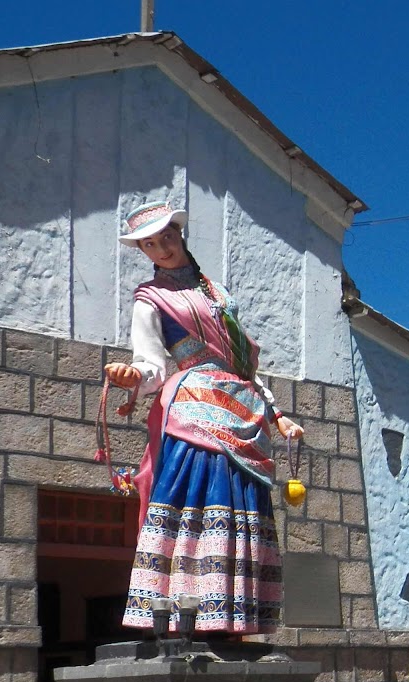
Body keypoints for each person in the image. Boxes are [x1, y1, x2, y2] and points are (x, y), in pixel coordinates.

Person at [104, 203, 304, 635]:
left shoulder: (219, 294)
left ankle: (231, 610)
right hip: (194, 407)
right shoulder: (151, 299)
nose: (161, 249)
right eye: (149, 245)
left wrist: (277, 415)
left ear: (180, 234)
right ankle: (181, 610)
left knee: (239, 502)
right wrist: (133, 375)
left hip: (242, 407)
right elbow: (153, 363)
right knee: (194, 496)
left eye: (167, 238)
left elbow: (242, 366)